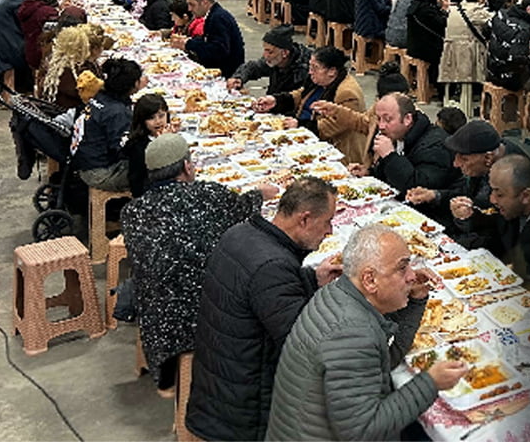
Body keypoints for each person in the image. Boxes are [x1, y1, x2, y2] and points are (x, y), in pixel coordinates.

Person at [265, 225, 468, 441]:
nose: (411, 276)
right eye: (402, 268)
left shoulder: (337, 292)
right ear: (369, 280)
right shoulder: (352, 333)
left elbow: (383, 362)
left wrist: (415, 300)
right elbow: (364, 432)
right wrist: (431, 382)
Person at [186, 177, 342, 442]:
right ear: (304, 219)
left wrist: (311, 280)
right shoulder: (273, 266)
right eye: (327, 221)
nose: (330, 231)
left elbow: (257, 294)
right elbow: (304, 345)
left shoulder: (240, 232)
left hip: (215, 386)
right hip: (245, 410)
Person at [121, 133, 272, 390]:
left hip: (158, 330)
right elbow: (245, 207)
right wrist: (261, 193)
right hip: (211, 325)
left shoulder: (132, 212)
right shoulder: (210, 196)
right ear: (188, 167)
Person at [449, 153, 530, 281]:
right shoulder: (510, 205)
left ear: (526, 196)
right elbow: (490, 227)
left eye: (500, 194)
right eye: (492, 191)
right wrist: (467, 217)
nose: (492, 199)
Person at [253, 47, 370, 164]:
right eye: (310, 66)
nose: (310, 72)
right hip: (306, 137)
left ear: (332, 71)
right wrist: (276, 101)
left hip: (337, 152)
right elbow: (301, 94)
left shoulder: (347, 93)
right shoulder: (319, 81)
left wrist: (300, 125)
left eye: (315, 68)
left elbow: (330, 127)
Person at [360, 92, 457, 196]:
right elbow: (393, 173)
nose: (381, 126)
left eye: (388, 119)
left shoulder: (435, 146)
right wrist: (371, 172)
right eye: (379, 119)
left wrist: (390, 156)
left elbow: (418, 189)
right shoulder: (399, 134)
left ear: (407, 119)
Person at [72, 58, 144, 192]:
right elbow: (123, 149)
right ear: (134, 84)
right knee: (155, 168)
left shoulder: (100, 97)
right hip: (98, 173)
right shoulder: (117, 113)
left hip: (84, 161)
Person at [173, 0, 245, 78]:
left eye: (192, 5)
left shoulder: (217, 18)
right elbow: (209, 40)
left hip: (226, 72)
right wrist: (189, 41)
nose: (189, 9)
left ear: (204, 2)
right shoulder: (213, 15)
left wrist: (189, 44)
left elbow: (219, 50)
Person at [486, 0, 530, 92]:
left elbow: (486, 30)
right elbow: (517, 59)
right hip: (508, 79)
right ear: (529, 9)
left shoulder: (501, 14)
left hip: (490, 70)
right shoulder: (524, 29)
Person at [228, 25, 311, 96]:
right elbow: (253, 67)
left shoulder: (302, 71)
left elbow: (294, 101)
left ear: (285, 53)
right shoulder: (275, 61)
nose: (265, 55)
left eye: (270, 52)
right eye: (265, 50)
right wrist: (239, 78)